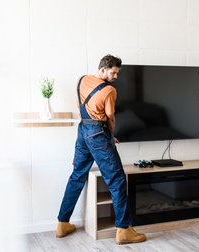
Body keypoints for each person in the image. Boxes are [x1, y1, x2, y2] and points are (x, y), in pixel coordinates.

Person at [56, 54, 147, 244]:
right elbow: (110, 118)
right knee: (117, 179)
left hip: (83, 130)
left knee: (77, 175)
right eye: (114, 72)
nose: (116, 77)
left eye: (117, 73)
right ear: (103, 69)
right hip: (98, 133)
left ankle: (62, 223)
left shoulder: (81, 80)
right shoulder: (110, 91)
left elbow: (80, 105)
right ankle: (124, 230)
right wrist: (110, 136)